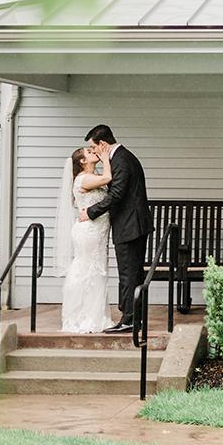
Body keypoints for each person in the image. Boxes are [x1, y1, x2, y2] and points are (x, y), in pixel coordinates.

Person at [80, 125, 152, 334]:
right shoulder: (121, 157)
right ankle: (135, 317)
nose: (92, 151)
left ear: (103, 144)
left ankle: (129, 319)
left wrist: (91, 211)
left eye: (93, 147)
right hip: (133, 224)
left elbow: (117, 194)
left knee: (128, 274)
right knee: (133, 273)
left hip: (131, 225)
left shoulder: (120, 160)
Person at [57, 146, 114, 334]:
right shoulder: (84, 178)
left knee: (97, 271)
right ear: (83, 161)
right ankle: (79, 316)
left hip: (98, 231)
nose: (94, 152)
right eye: (89, 152)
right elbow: (108, 178)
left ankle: (95, 315)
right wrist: (106, 158)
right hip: (88, 231)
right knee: (86, 269)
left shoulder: (92, 176)